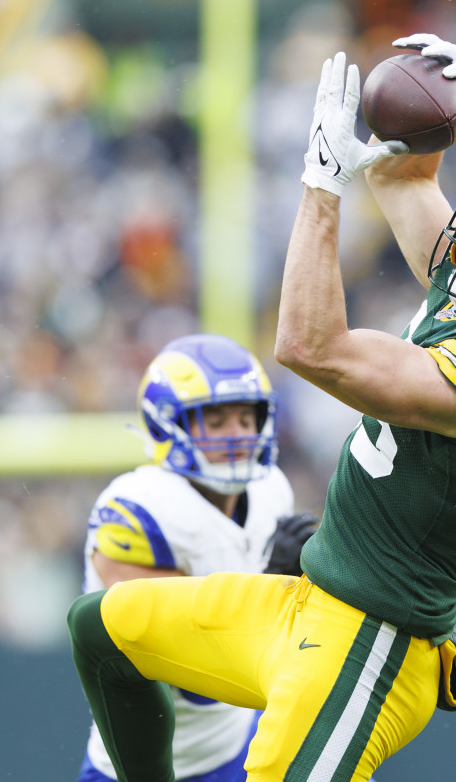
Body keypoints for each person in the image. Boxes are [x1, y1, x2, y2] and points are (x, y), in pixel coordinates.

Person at [67, 33, 456, 782]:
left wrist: (320, 184)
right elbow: (401, 180)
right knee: (101, 630)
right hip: (308, 603)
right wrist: (440, 112)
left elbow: (310, 346)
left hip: (372, 644)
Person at [76, 334, 310, 782]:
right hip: (157, 766)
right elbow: (179, 673)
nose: (238, 435)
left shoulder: (270, 489)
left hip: (242, 738)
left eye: (246, 417)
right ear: (167, 424)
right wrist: (270, 585)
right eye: (216, 420)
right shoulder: (136, 510)